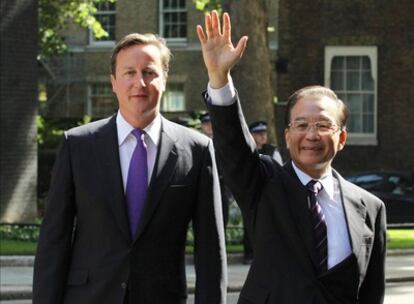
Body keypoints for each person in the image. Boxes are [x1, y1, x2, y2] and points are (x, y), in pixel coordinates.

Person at [197, 11, 386, 304]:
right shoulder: (263, 185)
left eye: (323, 125)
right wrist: (219, 79)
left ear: (342, 138)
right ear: (287, 136)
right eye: (301, 125)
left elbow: (372, 292)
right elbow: (234, 147)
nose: (311, 135)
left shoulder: (370, 208)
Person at [33, 33, 227, 304]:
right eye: (129, 73)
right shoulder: (77, 145)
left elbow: (211, 250)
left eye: (149, 72)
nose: (140, 83)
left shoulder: (197, 149)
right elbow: (54, 241)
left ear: (165, 79)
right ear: (113, 82)